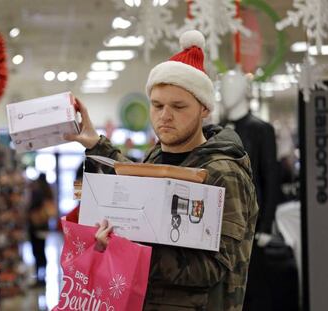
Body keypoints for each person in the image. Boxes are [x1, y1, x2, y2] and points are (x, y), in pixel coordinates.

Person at [66, 30, 258, 311]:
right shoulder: (158, 155)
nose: (165, 116)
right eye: (157, 105)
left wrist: (126, 250)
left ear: (204, 109)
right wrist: (96, 144)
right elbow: (137, 180)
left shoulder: (222, 172)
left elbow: (212, 268)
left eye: (178, 106)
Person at [220, 70, 280, 310]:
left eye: (232, 86)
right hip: (225, 224)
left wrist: (265, 225)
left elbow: (270, 177)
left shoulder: (261, 129)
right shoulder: (218, 129)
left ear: (245, 90)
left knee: (253, 287)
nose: (226, 91)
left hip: (253, 225)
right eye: (223, 86)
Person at [28, 172, 57, 285]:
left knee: (37, 251)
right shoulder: (48, 192)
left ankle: (39, 277)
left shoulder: (37, 192)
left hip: (35, 226)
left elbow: (32, 207)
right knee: (42, 250)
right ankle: (43, 275)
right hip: (44, 225)